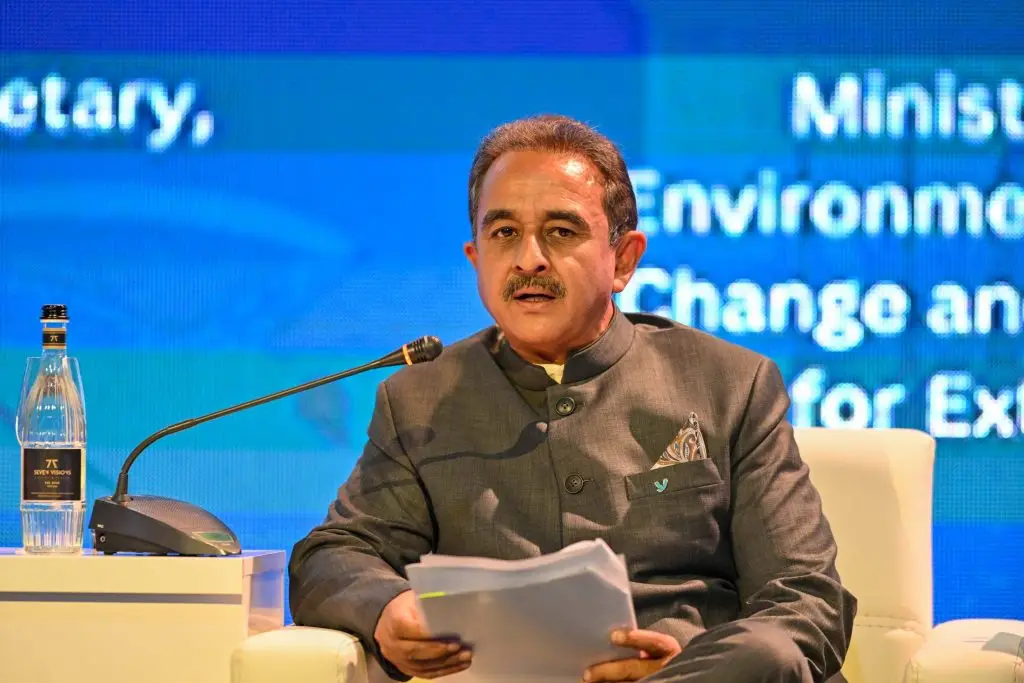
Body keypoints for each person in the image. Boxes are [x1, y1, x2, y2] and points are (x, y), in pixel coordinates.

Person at [289, 114, 857, 683]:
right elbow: (330, 556)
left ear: (624, 260)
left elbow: (806, 599)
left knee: (767, 655)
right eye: (503, 233)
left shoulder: (730, 383)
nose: (528, 259)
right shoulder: (420, 400)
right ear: (476, 259)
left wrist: (682, 666)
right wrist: (387, 607)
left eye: (561, 231)